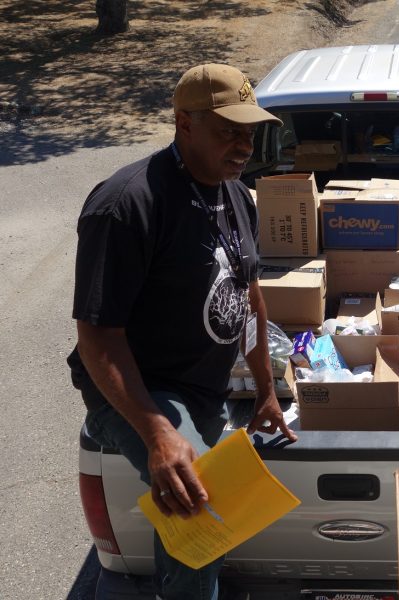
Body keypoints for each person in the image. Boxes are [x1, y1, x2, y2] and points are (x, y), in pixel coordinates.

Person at [67, 63, 298, 599]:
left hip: (201, 389)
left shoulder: (236, 195)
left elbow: (249, 298)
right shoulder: (127, 204)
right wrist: (157, 433)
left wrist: (266, 390)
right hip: (138, 391)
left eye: (248, 131)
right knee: (202, 508)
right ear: (184, 123)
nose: (243, 145)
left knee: (187, 520)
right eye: (227, 131)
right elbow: (97, 336)